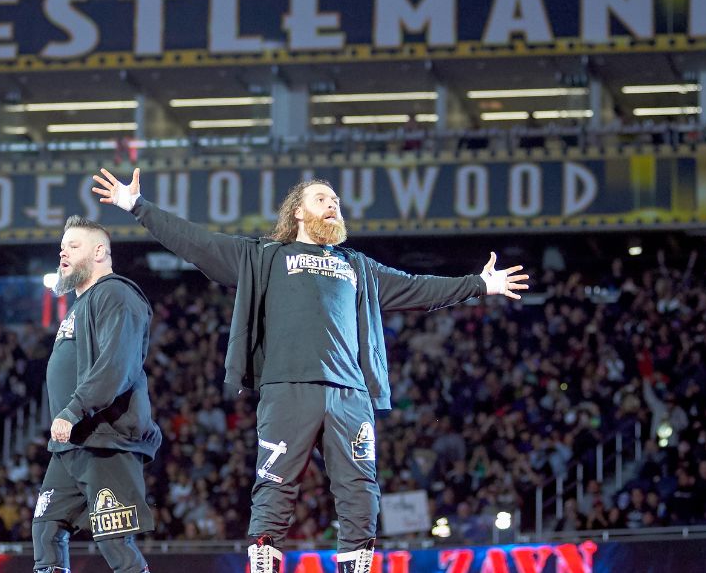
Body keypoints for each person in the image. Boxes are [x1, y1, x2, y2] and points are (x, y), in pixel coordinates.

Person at [91, 169, 528, 573]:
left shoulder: (359, 266)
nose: (334, 203)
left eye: (337, 199)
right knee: (275, 484)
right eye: (323, 198)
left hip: (350, 394)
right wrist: (139, 207)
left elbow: (418, 287)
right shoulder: (263, 256)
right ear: (298, 211)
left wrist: (479, 284)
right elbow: (197, 242)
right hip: (287, 390)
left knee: (360, 489)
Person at [31, 215, 161, 573]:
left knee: (114, 541)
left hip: (105, 439)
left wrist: (74, 410)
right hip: (74, 445)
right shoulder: (81, 304)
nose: (63, 253)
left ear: (100, 251)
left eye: (74, 246)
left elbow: (116, 365)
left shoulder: (115, 294)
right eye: (61, 248)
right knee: (46, 529)